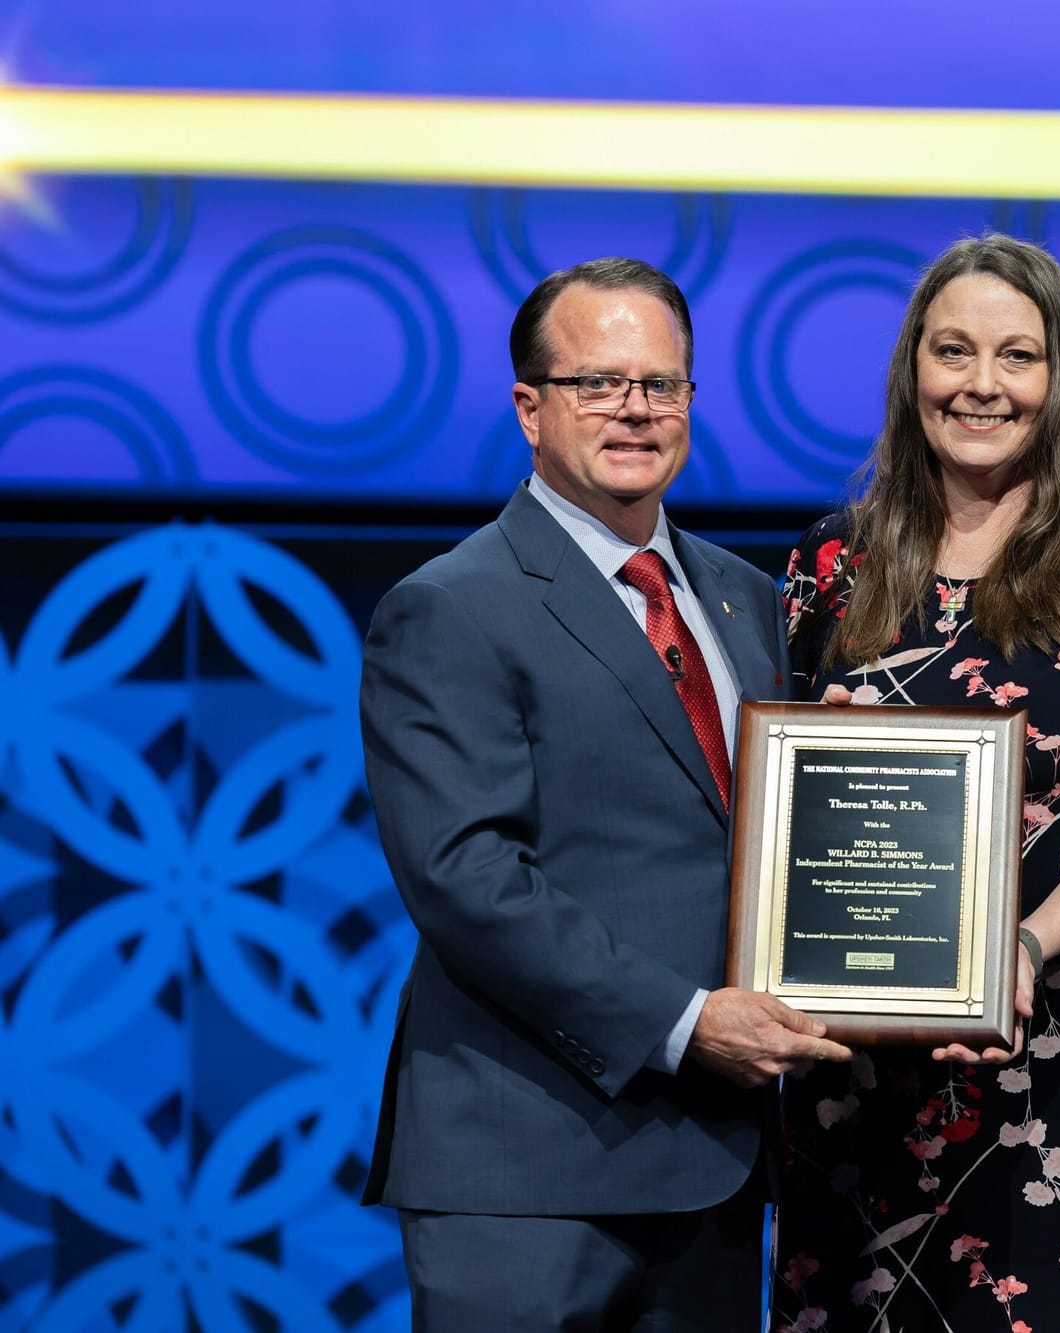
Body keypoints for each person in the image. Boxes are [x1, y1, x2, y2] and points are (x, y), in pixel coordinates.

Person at [359, 256, 851, 1331]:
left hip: (716, 1165)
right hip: (525, 1168)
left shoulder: (748, 602)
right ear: (529, 408)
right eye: (596, 382)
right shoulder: (450, 605)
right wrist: (685, 1022)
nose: (633, 407)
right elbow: (467, 877)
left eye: (659, 384)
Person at [770, 233, 1060, 1333]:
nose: (981, 384)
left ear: (1058, 378)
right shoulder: (827, 565)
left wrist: (1017, 947)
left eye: (1016, 357)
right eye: (953, 352)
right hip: (868, 1088)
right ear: (911, 371)